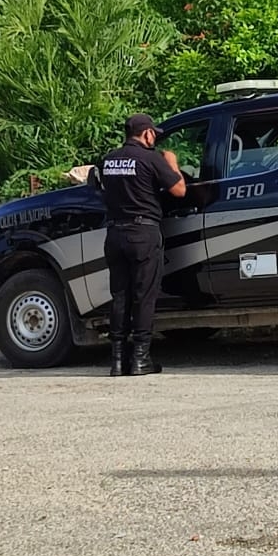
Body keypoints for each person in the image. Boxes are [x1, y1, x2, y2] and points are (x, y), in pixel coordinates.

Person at [99, 113, 186, 376]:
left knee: (120, 297)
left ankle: (116, 361)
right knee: (144, 298)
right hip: (143, 234)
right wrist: (172, 163)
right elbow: (179, 190)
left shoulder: (108, 160)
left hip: (114, 234)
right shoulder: (152, 159)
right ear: (147, 134)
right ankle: (140, 359)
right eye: (154, 134)